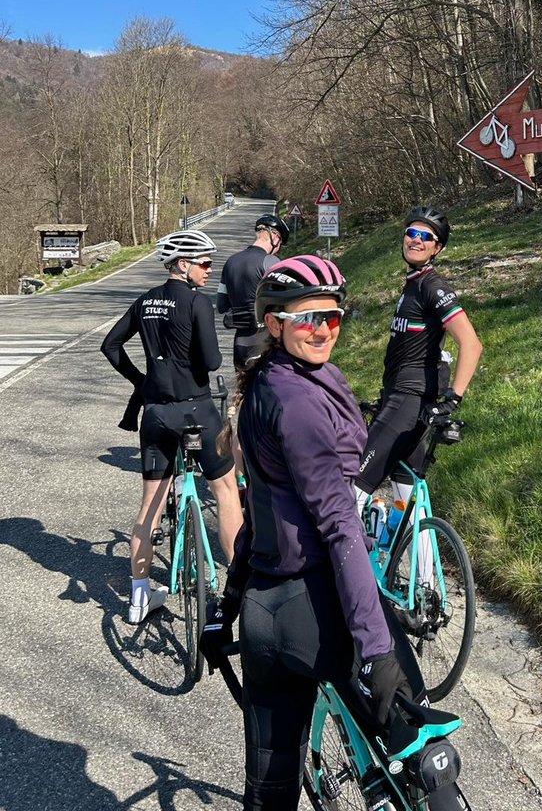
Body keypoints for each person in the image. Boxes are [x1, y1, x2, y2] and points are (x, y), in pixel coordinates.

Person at [199, 256, 418, 810]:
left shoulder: (269, 387)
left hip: (264, 614)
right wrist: (374, 648)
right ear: (274, 324)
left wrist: (226, 604)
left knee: (269, 791)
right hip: (316, 605)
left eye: (333, 318)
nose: (323, 330)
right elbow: (340, 527)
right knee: (425, 766)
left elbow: (262, 515)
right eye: (307, 319)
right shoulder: (298, 405)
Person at [100, 229, 243, 624]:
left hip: (156, 414)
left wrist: (140, 381)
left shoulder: (145, 301)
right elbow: (213, 362)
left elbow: (110, 346)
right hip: (196, 409)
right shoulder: (196, 303)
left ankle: (139, 597)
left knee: (150, 506)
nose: (209, 270)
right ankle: (240, 590)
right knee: (227, 491)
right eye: (204, 263)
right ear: (182, 264)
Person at [355, 206, 482, 512]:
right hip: (401, 399)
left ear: (437, 248)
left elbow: (471, 344)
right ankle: (422, 560)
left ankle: (339, 561)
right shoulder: (412, 284)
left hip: (408, 404)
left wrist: (454, 398)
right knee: (405, 495)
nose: (416, 240)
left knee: (350, 491)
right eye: (412, 232)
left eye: (426, 237)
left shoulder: (431, 286)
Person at [216, 213, 291, 371]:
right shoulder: (271, 262)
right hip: (266, 340)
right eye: (281, 244)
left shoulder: (230, 262)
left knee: (243, 392)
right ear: (275, 237)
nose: (278, 249)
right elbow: (285, 303)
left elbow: (222, 305)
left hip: (240, 342)